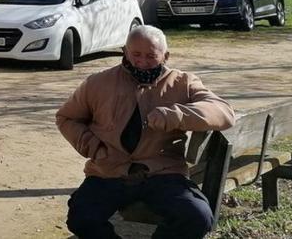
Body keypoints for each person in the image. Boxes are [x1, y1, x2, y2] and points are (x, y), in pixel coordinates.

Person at [56, 24, 236, 239]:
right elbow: (67, 117)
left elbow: (224, 112)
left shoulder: (183, 82)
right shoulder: (98, 82)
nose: (142, 62)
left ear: (166, 56)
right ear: (125, 51)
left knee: (197, 216)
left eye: (151, 56)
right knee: (81, 217)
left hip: (163, 173)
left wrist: (175, 115)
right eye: (136, 54)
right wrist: (93, 147)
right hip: (108, 170)